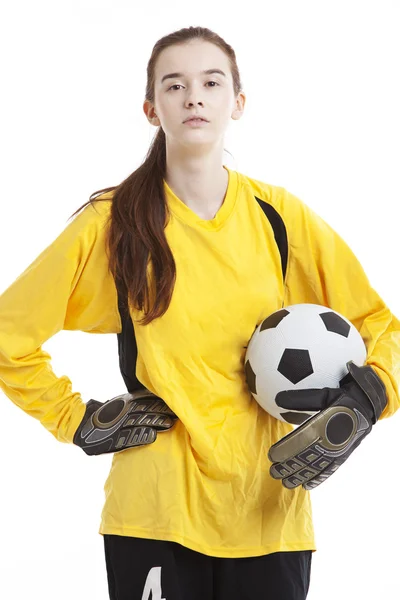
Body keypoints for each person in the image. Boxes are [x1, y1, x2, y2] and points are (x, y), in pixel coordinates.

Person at [0, 25, 399, 600]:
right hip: (156, 511)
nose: (194, 97)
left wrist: (365, 399)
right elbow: (11, 335)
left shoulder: (279, 217)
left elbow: (382, 326)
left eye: (212, 82)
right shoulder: (114, 223)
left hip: (268, 510)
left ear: (237, 102)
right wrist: (75, 419)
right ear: (150, 107)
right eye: (175, 84)